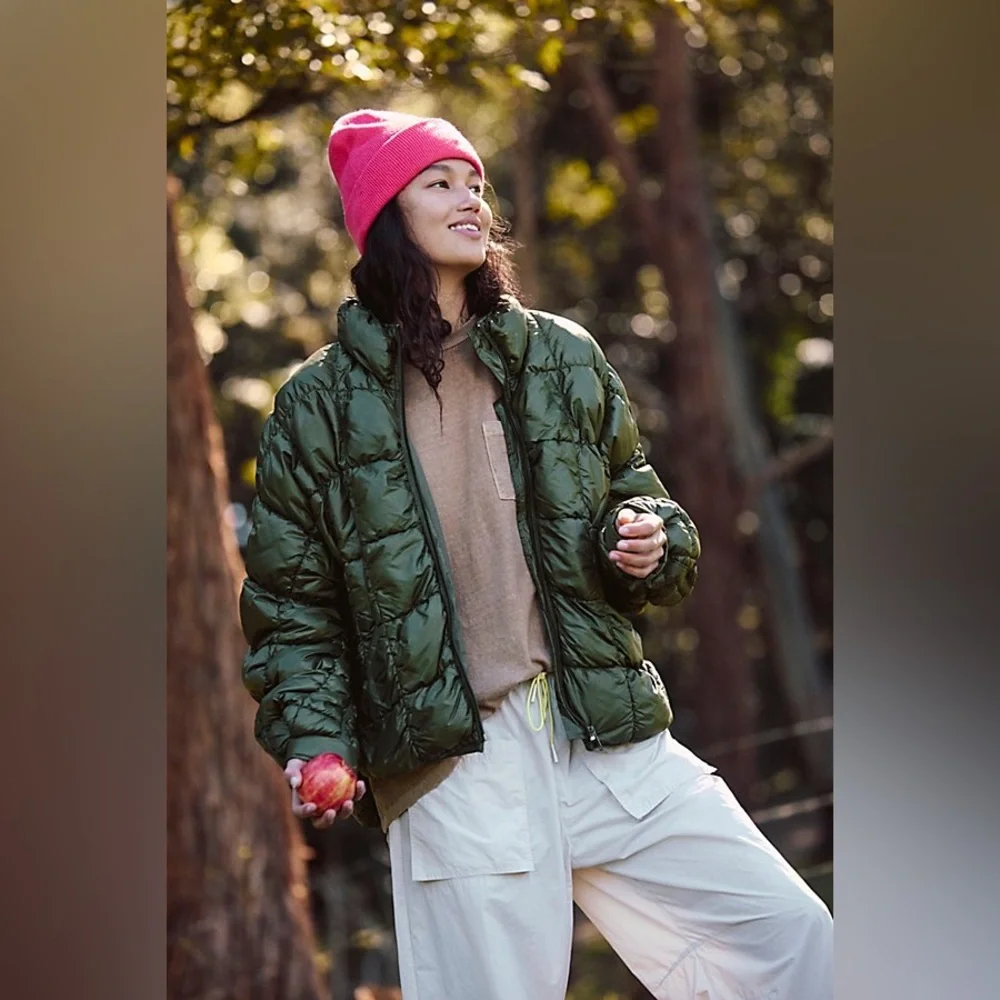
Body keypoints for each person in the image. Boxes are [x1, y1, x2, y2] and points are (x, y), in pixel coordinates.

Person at [239, 108, 832, 1000]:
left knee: (788, 940)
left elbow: (639, 493)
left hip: (605, 734)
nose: (471, 200)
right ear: (385, 216)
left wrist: (649, 538)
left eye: (475, 183)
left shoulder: (561, 356)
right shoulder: (316, 406)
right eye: (439, 183)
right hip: (456, 773)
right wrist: (318, 739)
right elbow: (294, 607)